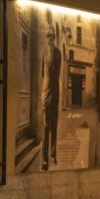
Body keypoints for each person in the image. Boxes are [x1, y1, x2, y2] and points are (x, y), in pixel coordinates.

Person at [41, 27, 62, 171]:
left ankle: (53, 155)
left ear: (54, 38)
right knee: (45, 128)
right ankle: (44, 160)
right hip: (46, 94)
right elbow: (43, 74)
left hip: (54, 94)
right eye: (48, 36)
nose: (49, 38)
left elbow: (57, 73)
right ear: (46, 38)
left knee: (54, 127)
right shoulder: (43, 53)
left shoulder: (58, 53)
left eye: (51, 36)